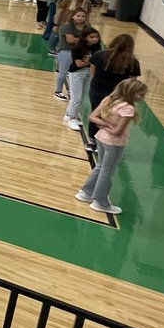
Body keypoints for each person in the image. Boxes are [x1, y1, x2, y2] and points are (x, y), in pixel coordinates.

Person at [77, 78, 147, 215]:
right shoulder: (128, 108)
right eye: (141, 94)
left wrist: (103, 124)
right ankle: (100, 201)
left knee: (100, 167)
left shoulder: (109, 100)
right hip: (114, 143)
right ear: (130, 93)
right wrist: (109, 126)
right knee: (107, 171)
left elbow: (93, 117)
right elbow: (117, 132)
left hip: (100, 138)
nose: (143, 97)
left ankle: (86, 192)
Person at [63, 28, 101, 130]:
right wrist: (91, 62)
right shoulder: (77, 48)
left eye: (96, 37)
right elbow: (79, 64)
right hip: (77, 74)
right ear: (85, 38)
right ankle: (72, 119)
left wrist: (88, 61)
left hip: (88, 73)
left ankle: (67, 115)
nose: (94, 39)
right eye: (91, 37)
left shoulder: (97, 48)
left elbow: (97, 62)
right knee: (76, 98)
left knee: (82, 97)